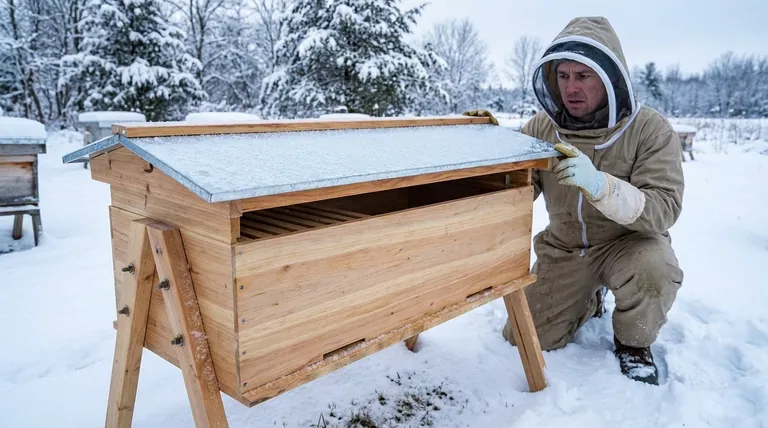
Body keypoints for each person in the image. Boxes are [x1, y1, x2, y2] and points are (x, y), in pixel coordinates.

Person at [464, 16, 684, 385]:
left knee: (654, 270)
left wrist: (601, 185)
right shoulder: (541, 127)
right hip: (565, 248)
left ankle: (633, 343)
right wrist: (484, 148)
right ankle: (588, 299)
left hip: (627, 245)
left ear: (610, 79)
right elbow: (516, 189)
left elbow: (663, 208)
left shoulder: (649, 129)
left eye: (583, 76)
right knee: (522, 338)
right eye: (563, 76)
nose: (571, 87)